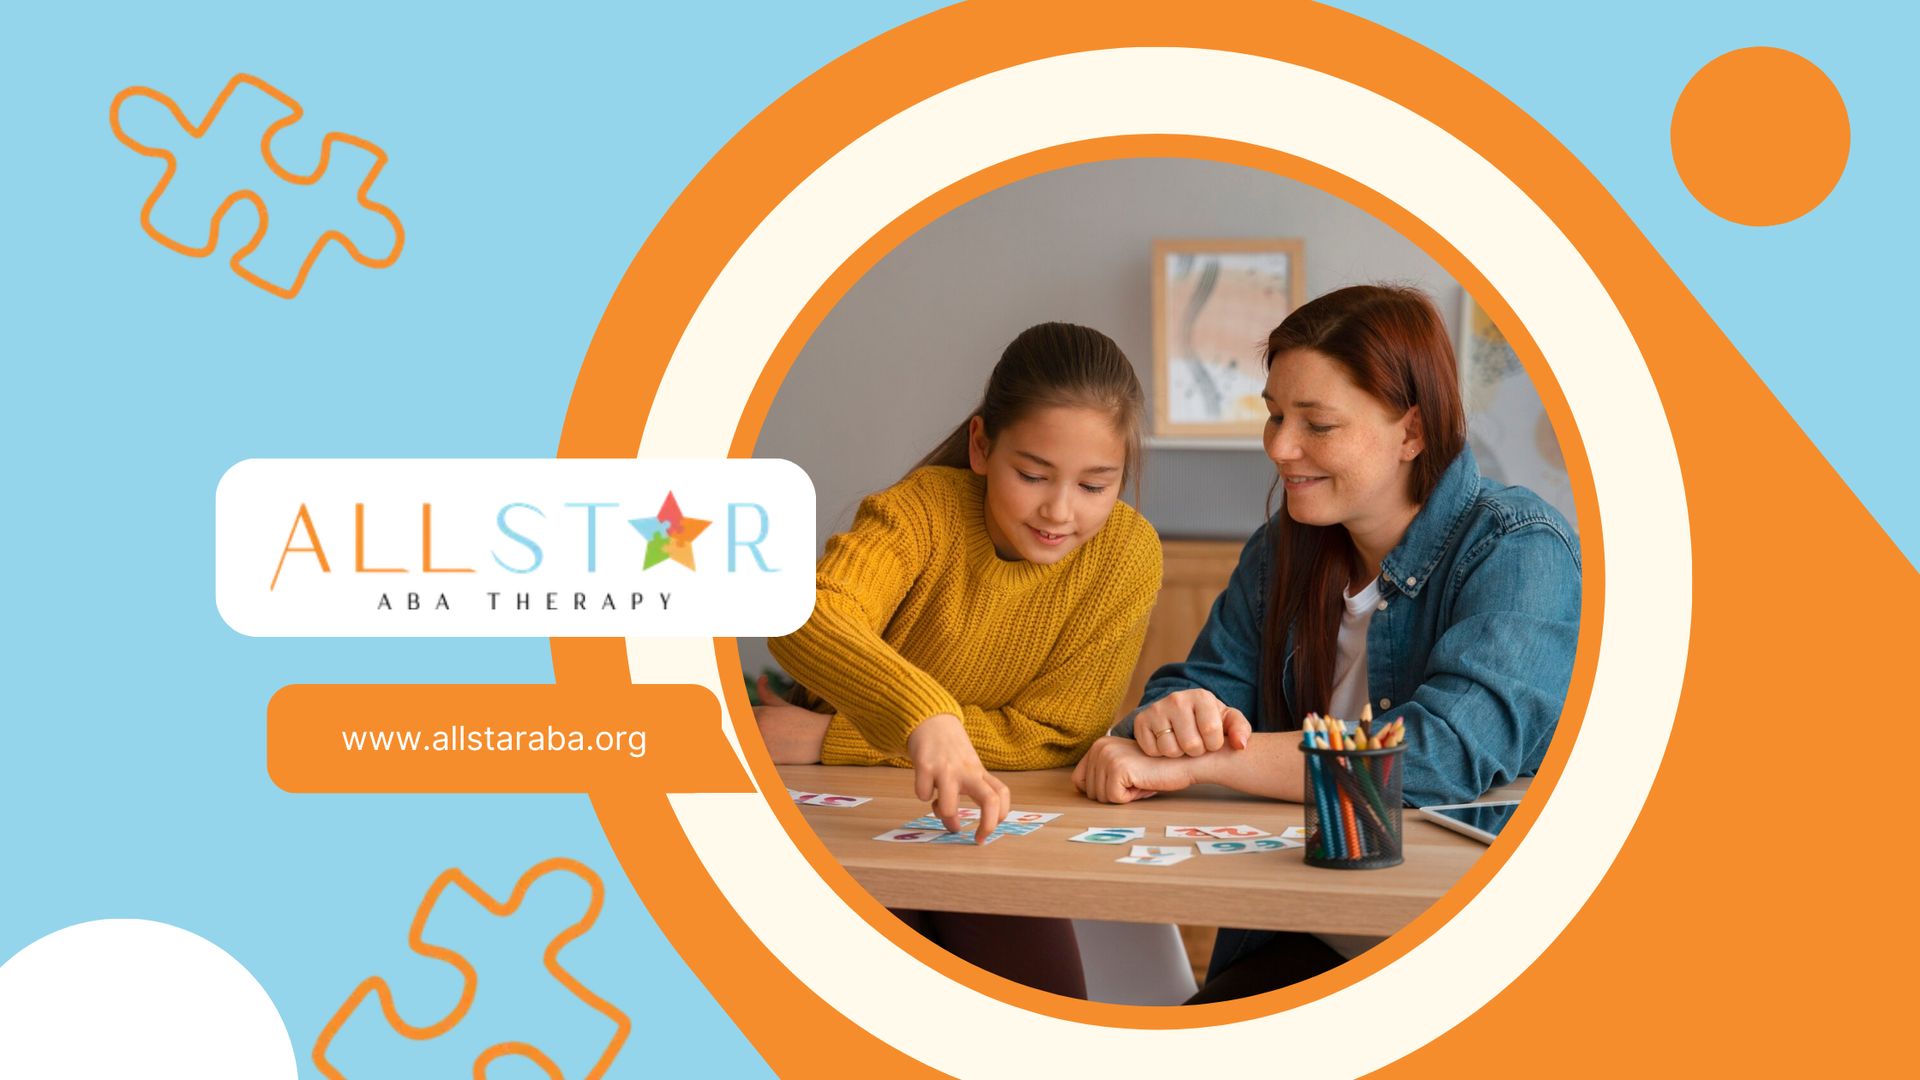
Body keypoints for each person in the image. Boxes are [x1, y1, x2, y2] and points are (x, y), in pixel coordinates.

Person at [1071, 284, 1581, 1002]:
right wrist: (1169, 717)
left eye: (1316, 423)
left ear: (1412, 432)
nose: (1279, 447)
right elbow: (1202, 683)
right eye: (1275, 414)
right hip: (1304, 923)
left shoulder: (1520, 545)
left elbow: (1442, 754)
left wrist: (1211, 758)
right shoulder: (1282, 549)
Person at [756, 321, 1163, 998]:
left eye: (1096, 485)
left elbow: (1054, 737)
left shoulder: (1127, 556)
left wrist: (838, 738)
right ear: (981, 446)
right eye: (1032, 474)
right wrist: (924, 719)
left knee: (1049, 1016)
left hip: (984, 824)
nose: (1060, 511)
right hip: (843, 817)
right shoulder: (919, 513)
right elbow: (804, 612)